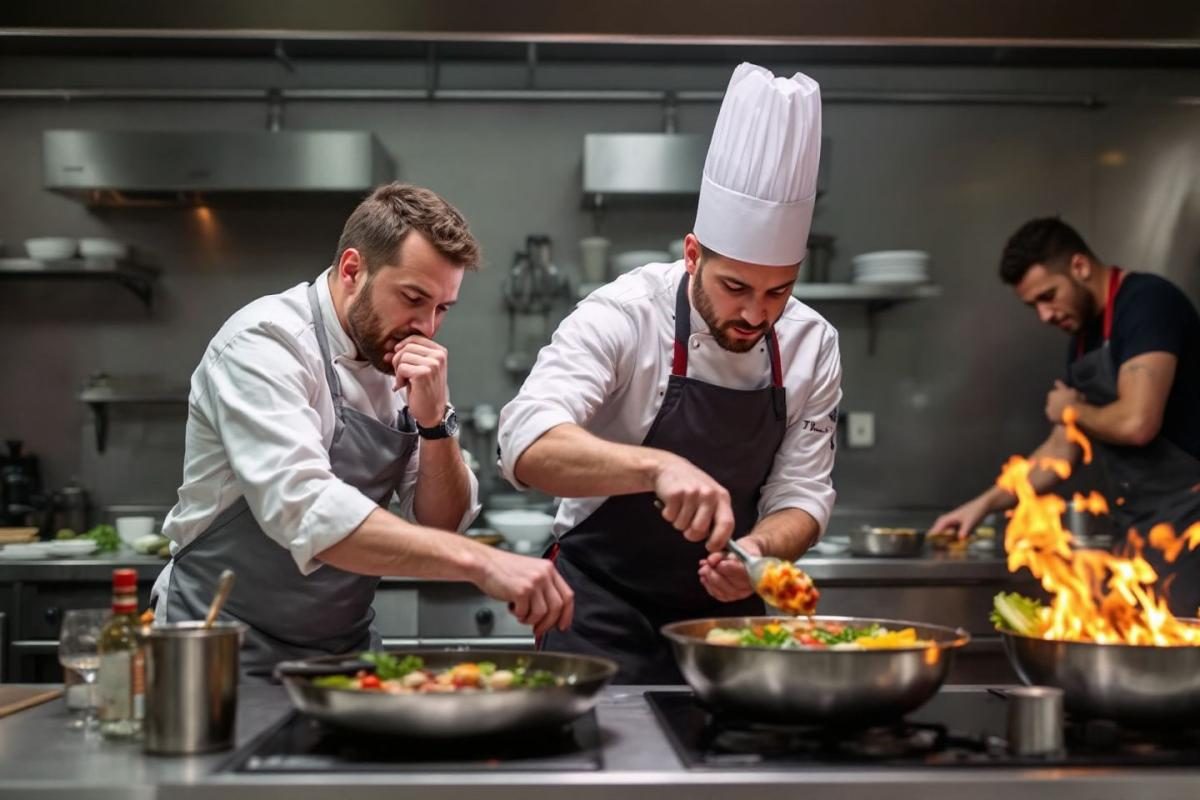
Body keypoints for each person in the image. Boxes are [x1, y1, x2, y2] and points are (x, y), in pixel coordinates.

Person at [496, 64, 841, 682]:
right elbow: (524, 441)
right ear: (692, 254)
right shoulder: (625, 315)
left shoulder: (812, 342)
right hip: (598, 607)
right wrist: (657, 467)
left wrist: (757, 553)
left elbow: (802, 496)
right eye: (735, 286)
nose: (755, 313)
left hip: (727, 615)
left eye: (778, 291)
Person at [153, 182, 573, 678]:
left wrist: (437, 423)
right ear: (353, 269)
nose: (428, 327)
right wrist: (480, 562)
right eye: (413, 298)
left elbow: (442, 524)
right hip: (218, 648)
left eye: (441, 308)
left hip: (344, 654)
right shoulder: (264, 344)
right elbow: (306, 507)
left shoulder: (398, 357)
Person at [931, 217, 1200, 615]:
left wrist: (1071, 408)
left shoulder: (1147, 303)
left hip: (1190, 527)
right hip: (1139, 526)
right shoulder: (1082, 341)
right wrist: (983, 504)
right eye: (1033, 305)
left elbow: (1137, 423)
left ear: (1079, 266)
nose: (1044, 315)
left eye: (1048, 296)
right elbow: (1061, 451)